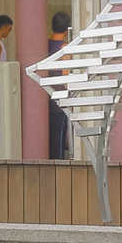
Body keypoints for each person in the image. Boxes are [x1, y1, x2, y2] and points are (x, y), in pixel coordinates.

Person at [47, 11, 71, 159]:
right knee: (59, 140)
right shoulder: (65, 48)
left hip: (44, 96)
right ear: (67, 29)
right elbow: (65, 75)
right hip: (59, 97)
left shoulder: (44, 44)